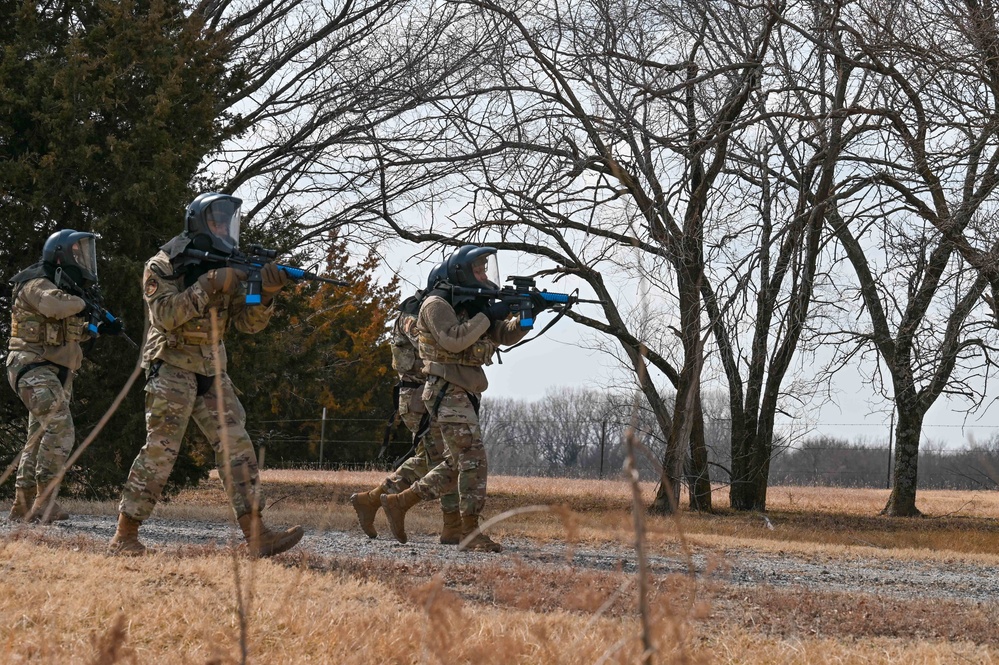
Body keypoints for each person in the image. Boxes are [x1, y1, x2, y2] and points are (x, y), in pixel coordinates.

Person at [108, 192, 303, 557]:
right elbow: (164, 316)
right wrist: (208, 284)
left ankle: (257, 534)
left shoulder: (231, 264)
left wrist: (266, 296)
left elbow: (246, 322)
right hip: (170, 366)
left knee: (237, 447)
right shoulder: (163, 265)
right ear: (198, 222)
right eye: (216, 221)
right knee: (161, 452)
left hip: (212, 371)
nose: (223, 228)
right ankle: (125, 535)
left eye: (227, 222)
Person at [381, 245, 549, 552]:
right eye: (479, 270)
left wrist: (527, 317)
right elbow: (454, 340)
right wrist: (488, 314)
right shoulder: (435, 304)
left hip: (464, 391)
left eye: (486, 269)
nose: (485, 275)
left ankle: (401, 502)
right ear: (460, 271)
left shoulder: (471, 305)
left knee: (459, 461)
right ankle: (468, 531)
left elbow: (503, 335)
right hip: (445, 390)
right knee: (472, 459)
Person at [6, 230, 122, 523]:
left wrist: (95, 329)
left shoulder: (65, 291)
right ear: (61, 256)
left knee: (38, 437)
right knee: (60, 428)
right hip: (31, 367)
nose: (84, 260)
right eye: (78, 253)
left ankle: (22, 507)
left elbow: (63, 335)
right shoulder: (35, 283)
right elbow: (54, 306)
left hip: (55, 373)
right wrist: (84, 303)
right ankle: (45, 503)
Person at [349, 263, 462, 543]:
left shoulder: (430, 309)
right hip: (419, 399)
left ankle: (372, 500)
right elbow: (436, 343)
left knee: (429, 459)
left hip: (427, 397)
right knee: (447, 461)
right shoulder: (414, 314)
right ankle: (451, 526)